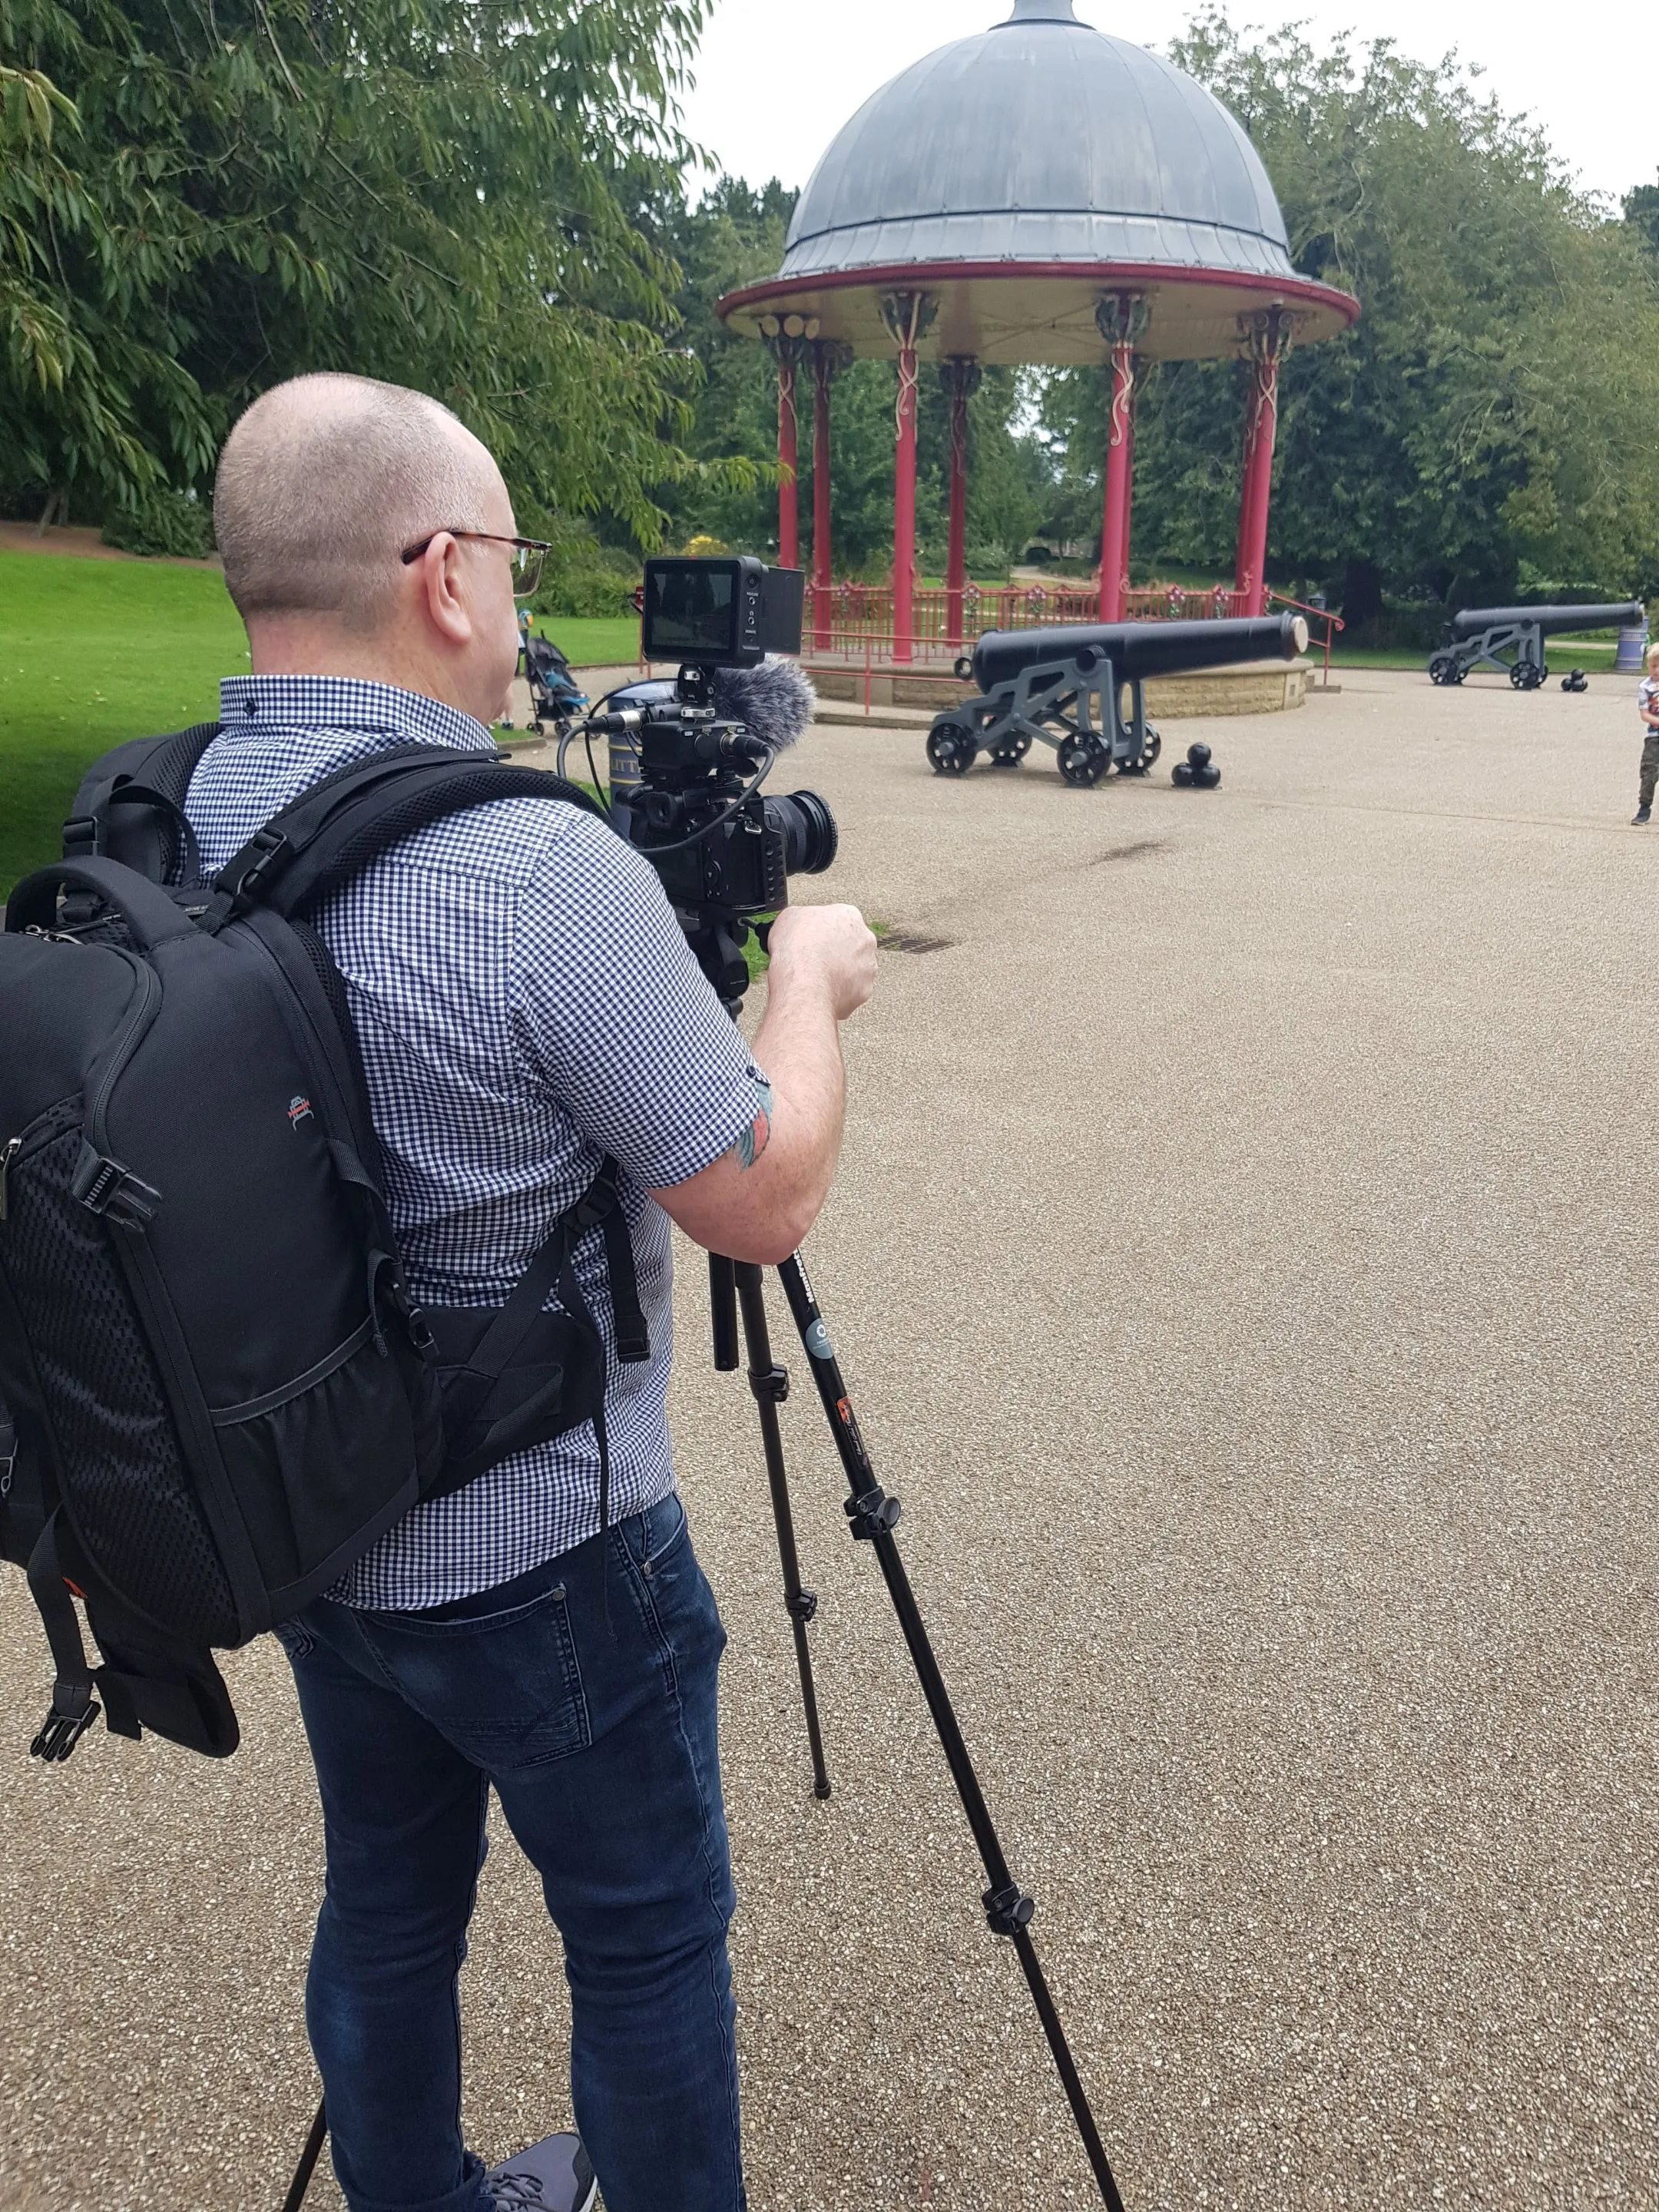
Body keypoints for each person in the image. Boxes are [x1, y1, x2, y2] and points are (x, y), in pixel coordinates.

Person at [196, 373, 878, 2212]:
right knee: (646, 1944)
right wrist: (799, 973)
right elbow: (758, 1193)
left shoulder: (165, 816)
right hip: (548, 1556)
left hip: (306, 1519)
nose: (520, 601)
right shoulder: (527, 867)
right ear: (437, 575)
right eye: (506, 557)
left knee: (386, 1913)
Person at [1631, 639, 1659, 825]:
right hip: (1654, 738)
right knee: (1649, 773)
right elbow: (1644, 714)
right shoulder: (1645, 688)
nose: (1657, 671)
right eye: (1654, 666)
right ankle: (1644, 808)